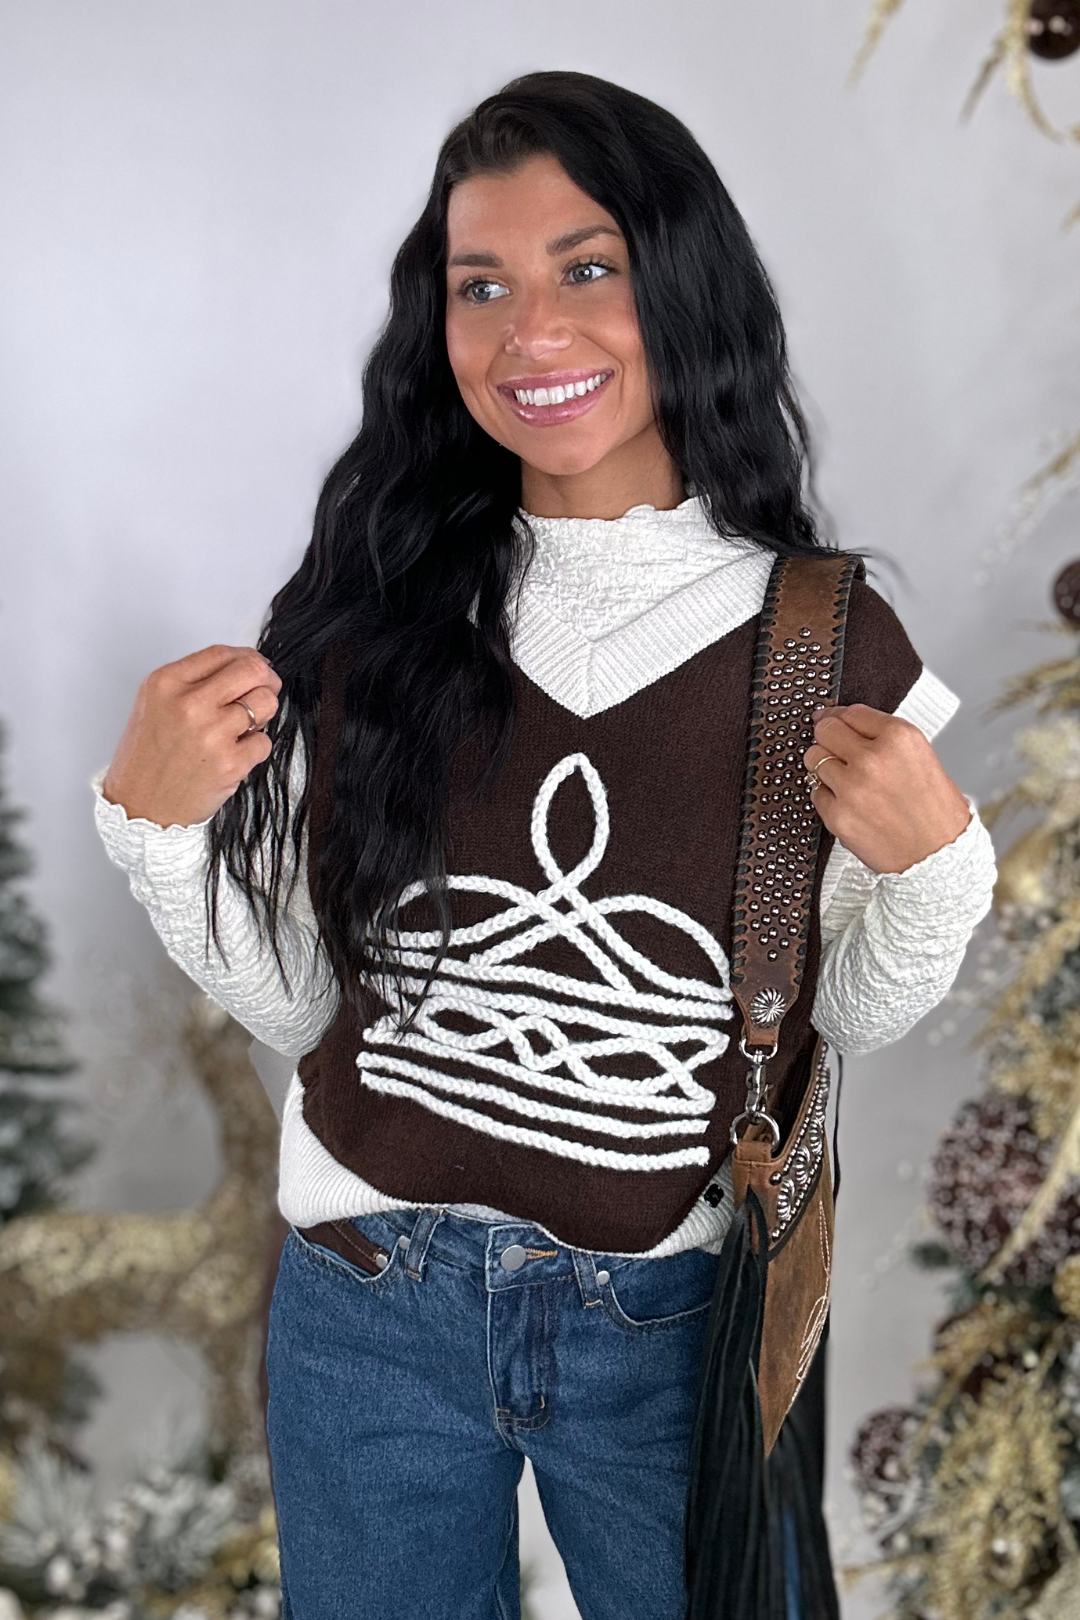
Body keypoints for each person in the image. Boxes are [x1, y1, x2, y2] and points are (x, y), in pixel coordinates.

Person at [93, 70, 997, 1620]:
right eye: (479, 286)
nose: (533, 332)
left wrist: (940, 869)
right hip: (370, 1300)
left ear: (681, 281)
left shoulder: (819, 637)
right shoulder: (376, 607)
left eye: (589, 268)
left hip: (668, 1318)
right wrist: (159, 835)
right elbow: (318, 1012)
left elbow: (842, 1021)